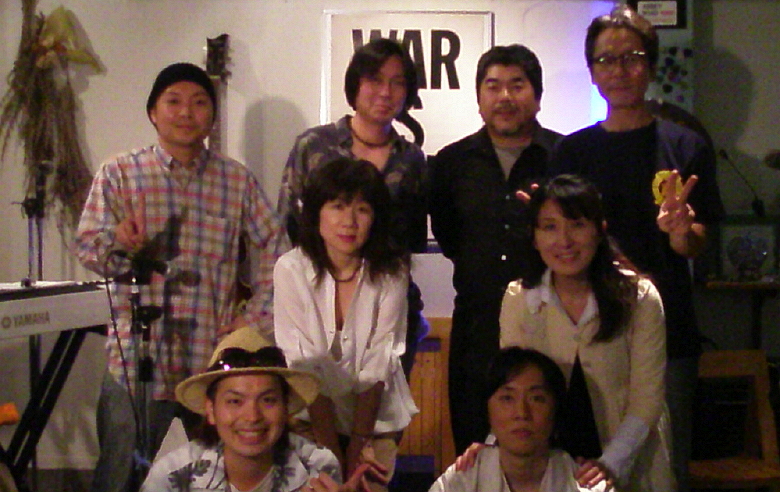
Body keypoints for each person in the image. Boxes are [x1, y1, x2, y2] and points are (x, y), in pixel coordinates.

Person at [74, 62, 284, 492]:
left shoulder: (236, 181)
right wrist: (118, 241)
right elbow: (88, 248)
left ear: (212, 116)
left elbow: (276, 250)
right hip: (137, 357)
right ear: (153, 112)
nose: (186, 112)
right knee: (120, 472)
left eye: (199, 102)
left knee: (217, 476)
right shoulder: (120, 173)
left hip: (212, 360)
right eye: (173, 101)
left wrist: (253, 321)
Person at [549, 6, 724, 491]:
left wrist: (681, 233)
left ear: (650, 65)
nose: (619, 70)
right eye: (606, 60)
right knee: (589, 468)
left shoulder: (685, 146)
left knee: (665, 465)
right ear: (592, 72)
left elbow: (700, 241)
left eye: (631, 57)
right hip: (590, 329)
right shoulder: (572, 152)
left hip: (669, 329)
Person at [500, 174, 673, 491]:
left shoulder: (639, 297)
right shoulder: (519, 299)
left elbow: (647, 398)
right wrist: (491, 446)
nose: (564, 241)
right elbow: (511, 389)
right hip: (550, 462)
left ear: (600, 230)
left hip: (631, 457)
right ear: (535, 237)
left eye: (577, 224)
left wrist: (611, 463)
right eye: (550, 227)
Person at [429, 44, 563, 454]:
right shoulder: (451, 163)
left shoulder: (565, 157)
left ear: (537, 96)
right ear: (479, 98)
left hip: (552, 324)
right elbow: (450, 238)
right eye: (493, 86)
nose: (504, 96)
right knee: (474, 450)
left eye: (517, 85)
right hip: (477, 329)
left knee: (553, 449)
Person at [278, 37, 427, 377]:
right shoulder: (315, 146)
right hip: (316, 308)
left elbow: (412, 239)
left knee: (382, 403)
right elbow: (287, 227)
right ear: (355, 84)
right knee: (314, 402)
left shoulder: (411, 159)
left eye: (397, 82)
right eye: (375, 79)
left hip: (387, 309)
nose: (386, 92)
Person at [274, 158, 418, 492]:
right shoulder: (291, 269)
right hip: (310, 419)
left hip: (375, 421)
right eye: (337, 206)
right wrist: (330, 453)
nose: (349, 221)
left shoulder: (392, 271)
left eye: (362, 209)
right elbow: (304, 364)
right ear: (316, 213)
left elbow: (379, 360)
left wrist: (357, 444)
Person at [142, 327, 376, 492]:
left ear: (286, 407)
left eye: (268, 400)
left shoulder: (317, 466)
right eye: (235, 401)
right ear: (211, 410)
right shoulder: (172, 476)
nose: (252, 416)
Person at [429, 347, 607, 492]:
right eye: (507, 398)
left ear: (556, 410)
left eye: (537, 399)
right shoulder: (461, 481)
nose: (522, 413)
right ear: (487, 410)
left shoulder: (586, 485)